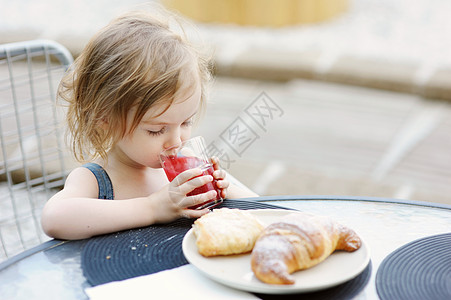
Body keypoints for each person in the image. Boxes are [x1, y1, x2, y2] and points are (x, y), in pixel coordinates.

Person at [41, 8, 257, 240]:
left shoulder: (185, 167)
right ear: (103, 118)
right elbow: (54, 218)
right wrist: (153, 208)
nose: (176, 141)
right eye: (156, 130)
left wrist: (223, 191)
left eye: (186, 122)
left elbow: (261, 206)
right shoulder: (96, 180)